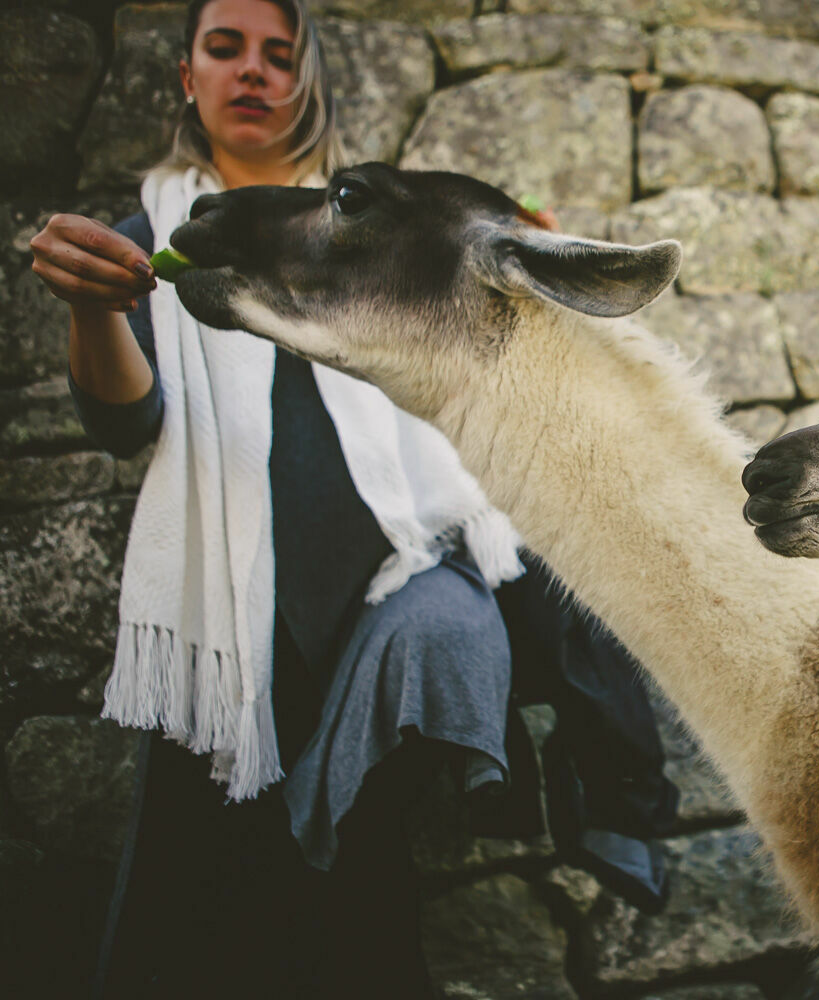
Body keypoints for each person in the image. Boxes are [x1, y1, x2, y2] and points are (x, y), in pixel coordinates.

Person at [30, 2, 678, 996]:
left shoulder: (370, 226)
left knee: (533, 579)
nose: (253, 71)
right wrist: (93, 307)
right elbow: (127, 423)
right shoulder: (149, 241)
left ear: (308, 82)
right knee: (215, 906)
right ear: (184, 76)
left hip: (394, 581)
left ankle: (615, 792)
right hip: (253, 623)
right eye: (226, 47)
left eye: (279, 54)